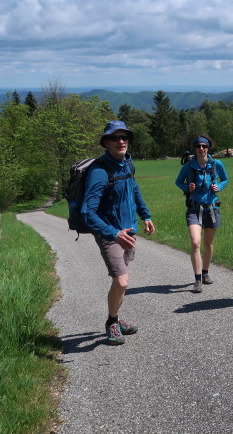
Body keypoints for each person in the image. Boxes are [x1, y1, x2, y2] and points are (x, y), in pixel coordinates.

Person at [82, 120, 155, 345]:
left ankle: (116, 317)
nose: (121, 141)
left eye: (124, 137)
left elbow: (134, 190)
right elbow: (88, 212)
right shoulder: (99, 171)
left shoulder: (127, 163)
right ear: (106, 142)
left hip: (128, 232)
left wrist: (146, 215)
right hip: (110, 234)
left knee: (121, 281)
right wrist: (113, 233)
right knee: (122, 281)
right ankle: (112, 323)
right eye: (115, 138)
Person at [175, 135, 229, 293]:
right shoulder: (188, 166)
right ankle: (197, 279)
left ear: (208, 147)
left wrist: (219, 186)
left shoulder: (216, 164)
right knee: (196, 242)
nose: (201, 149)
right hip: (194, 208)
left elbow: (225, 179)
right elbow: (178, 182)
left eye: (204, 146)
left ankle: (205, 273)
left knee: (208, 244)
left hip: (211, 208)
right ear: (195, 148)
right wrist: (187, 188)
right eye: (198, 146)